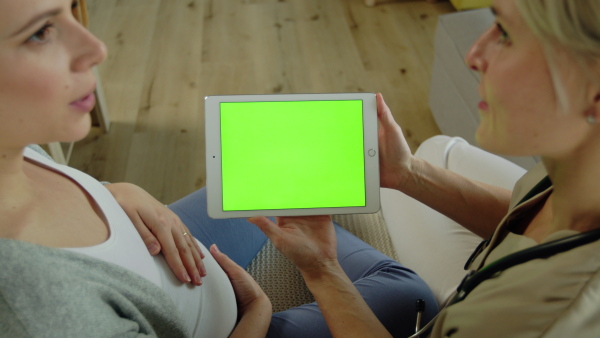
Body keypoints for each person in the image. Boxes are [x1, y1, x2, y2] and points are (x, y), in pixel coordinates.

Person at [0, 0, 438, 337]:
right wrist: (256, 313)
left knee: (270, 185)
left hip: (168, 246)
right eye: (40, 32)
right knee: (412, 294)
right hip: (235, 323)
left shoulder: (15, 146)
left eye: (70, 8)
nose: (97, 47)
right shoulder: (46, 313)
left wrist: (113, 190)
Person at [246, 0, 600, 336]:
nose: (473, 55)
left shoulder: (528, 318)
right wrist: (407, 173)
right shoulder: (581, 168)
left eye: (506, 34)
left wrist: (322, 270)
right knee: (435, 148)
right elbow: (534, 218)